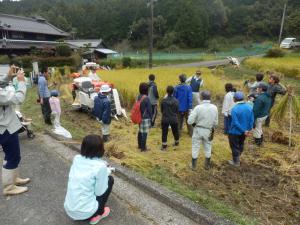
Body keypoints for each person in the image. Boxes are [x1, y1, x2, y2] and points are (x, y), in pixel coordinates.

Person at [64, 135, 114, 224]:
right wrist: (106, 172)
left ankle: (89, 211)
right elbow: (99, 192)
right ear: (100, 150)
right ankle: (99, 213)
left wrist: (103, 168)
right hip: (86, 213)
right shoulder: (100, 167)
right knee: (110, 180)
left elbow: (90, 164)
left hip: (69, 209)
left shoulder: (77, 158)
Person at [0, 67, 30, 195]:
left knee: (13, 155)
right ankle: (9, 187)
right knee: (12, 156)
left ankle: (13, 178)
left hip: (7, 123)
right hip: (4, 127)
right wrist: (21, 81)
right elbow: (17, 98)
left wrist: (8, 77)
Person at [187, 91, 218, 170]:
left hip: (198, 129)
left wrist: (192, 119)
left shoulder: (198, 107)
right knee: (208, 147)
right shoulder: (214, 107)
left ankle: (193, 166)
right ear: (210, 98)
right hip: (208, 130)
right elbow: (216, 123)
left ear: (201, 97)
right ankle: (207, 165)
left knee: (195, 147)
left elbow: (189, 121)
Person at [228, 92, 254, 166]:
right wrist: (248, 130)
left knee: (234, 146)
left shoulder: (234, 109)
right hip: (244, 132)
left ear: (235, 99)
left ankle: (236, 162)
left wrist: (244, 130)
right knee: (241, 144)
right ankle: (237, 158)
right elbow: (252, 120)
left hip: (235, 131)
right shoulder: (250, 107)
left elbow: (235, 123)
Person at [160, 86, 179, 151]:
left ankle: (164, 146)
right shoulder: (176, 101)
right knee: (175, 131)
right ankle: (176, 142)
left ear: (167, 91)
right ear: (173, 92)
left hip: (165, 118)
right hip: (174, 118)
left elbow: (162, 110)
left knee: (164, 132)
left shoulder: (163, 101)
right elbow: (177, 110)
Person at [137, 82, 152, 151]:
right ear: (146, 90)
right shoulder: (147, 98)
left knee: (140, 131)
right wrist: (151, 118)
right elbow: (149, 109)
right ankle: (143, 148)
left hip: (139, 116)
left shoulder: (138, 96)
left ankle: (139, 145)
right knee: (145, 133)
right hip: (145, 118)